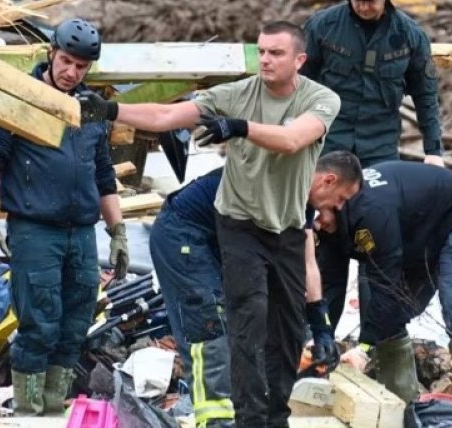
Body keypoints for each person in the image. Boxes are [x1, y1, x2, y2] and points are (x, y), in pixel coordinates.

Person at [80, 21, 341, 427]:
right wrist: (111, 110)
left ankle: (274, 418)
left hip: (282, 233)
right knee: (238, 320)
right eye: (262, 52)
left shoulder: (320, 99)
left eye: (277, 53)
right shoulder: (237, 94)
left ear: (300, 60)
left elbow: (293, 139)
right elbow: (167, 114)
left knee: (287, 332)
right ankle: (236, 420)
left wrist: (319, 322)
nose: (266, 60)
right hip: (229, 228)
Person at [0, 18, 127, 417]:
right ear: (50, 54)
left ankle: (54, 408)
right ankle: (28, 412)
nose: (71, 72)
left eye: (80, 67)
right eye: (65, 62)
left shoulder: (90, 108)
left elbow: (104, 176)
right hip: (36, 230)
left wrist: (118, 231)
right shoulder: (18, 100)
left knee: (75, 324)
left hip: (81, 232)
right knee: (39, 323)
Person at [151, 152, 362, 428]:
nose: (338, 208)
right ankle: (215, 420)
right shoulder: (277, 178)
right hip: (184, 233)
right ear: (328, 180)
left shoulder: (302, 200)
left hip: (220, 241)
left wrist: (321, 328)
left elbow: (307, 263)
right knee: (208, 327)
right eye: (341, 199)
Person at [315, 161, 452, 402]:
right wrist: (321, 337)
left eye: (320, 216)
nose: (317, 223)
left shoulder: (371, 213)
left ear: (338, 199)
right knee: (394, 314)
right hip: (419, 234)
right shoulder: (328, 220)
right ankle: (403, 407)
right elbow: (332, 286)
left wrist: (363, 349)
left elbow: (386, 284)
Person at [302, 0, 443, 168]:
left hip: (380, 147)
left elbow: (425, 95)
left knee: (377, 201)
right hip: (328, 142)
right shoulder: (322, 27)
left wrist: (433, 151)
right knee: (322, 201)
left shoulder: (410, 35)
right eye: (357, 0)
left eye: (370, 1)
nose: (363, 7)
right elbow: (298, 80)